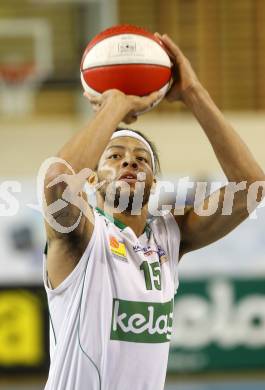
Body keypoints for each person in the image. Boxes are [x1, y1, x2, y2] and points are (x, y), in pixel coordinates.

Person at [43, 33, 265, 390]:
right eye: (114, 157)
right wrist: (116, 102)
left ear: (154, 182)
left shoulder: (168, 235)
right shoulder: (80, 237)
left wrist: (194, 94)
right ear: (93, 179)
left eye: (141, 158)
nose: (130, 160)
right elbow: (57, 182)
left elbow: (251, 187)